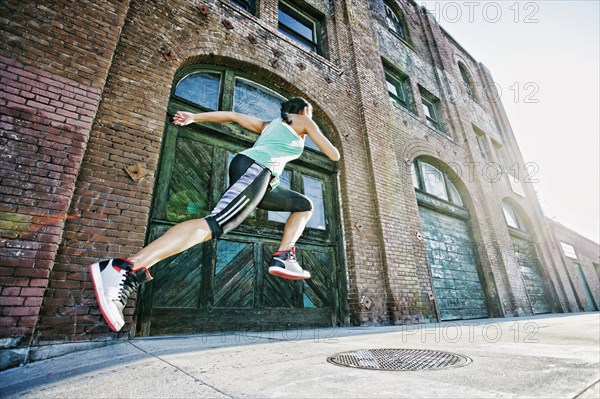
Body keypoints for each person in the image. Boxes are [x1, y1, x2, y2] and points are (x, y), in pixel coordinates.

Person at [90, 97, 340, 332]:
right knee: (217, 223)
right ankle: (125, 267)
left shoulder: (269, 125)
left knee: (304, 205)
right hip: (257, 168)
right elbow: (334, 154)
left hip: (263, 176)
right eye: (309, 116)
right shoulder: (303, 121)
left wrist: (196, 117)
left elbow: (232, 115)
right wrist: (311, 129)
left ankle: (284, 255)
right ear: (303, 111)